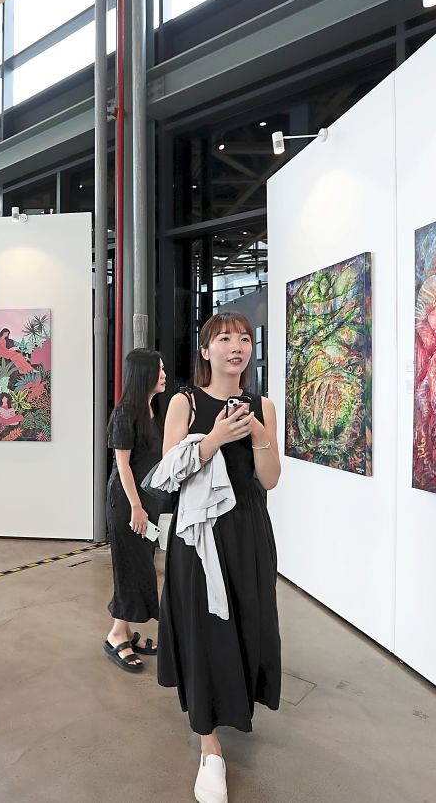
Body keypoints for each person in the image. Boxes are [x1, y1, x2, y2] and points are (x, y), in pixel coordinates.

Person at [157, 312, 282, 803]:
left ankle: (235, 705)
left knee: (249, 622)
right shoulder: (183, 403)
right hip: (198, 537)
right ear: (205, 350)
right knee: (205, 628)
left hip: (248, 532)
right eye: (225, 338)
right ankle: (210, 748)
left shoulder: (263, 405)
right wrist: (213, 440)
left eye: (245, 338)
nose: (237, 346)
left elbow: (269, 479)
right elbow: (168, 474)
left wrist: (254, 432)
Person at [102, 349, 168, 672]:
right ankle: (117, 634)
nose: (164, 374)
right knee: (129, 567)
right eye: (159, 369)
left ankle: (126, 630)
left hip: (145, 503)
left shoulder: (151, 410)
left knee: (141, 566)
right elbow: (122, 466)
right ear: (143, 375)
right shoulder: (126, 412)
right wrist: (137, 507)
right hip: (129, 504)